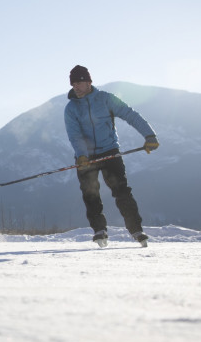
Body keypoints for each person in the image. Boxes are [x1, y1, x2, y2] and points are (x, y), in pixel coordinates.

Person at [64, 65, 159, 247]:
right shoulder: (71, 108)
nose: (76, 87)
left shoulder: (106, 99)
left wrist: (149, 135)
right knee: (90, 194)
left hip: (110, 152)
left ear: (89, 82)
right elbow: (74, 135)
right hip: (86, 157)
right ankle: (99, 231)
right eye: (73, 84)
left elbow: (130, 115)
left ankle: (136, 230)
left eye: (80, 82)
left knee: (121, 191)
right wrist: (82, 156)